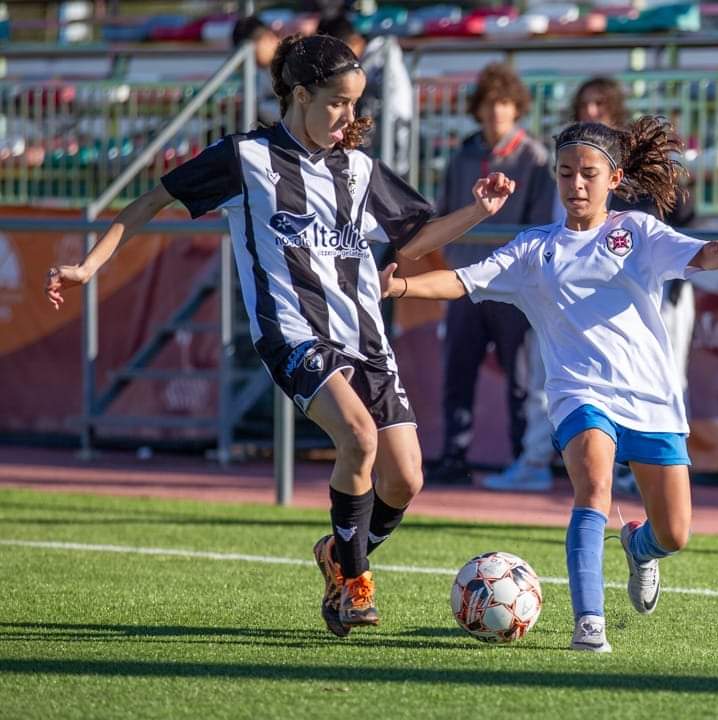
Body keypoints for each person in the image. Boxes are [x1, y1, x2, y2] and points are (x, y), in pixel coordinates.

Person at [46, 34, 516, 634]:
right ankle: (354, 584)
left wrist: (478, 211)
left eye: (355, 105)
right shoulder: (245, 159)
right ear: (300, 94)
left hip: (365, 338)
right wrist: (88, 265)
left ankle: (338, 553)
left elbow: (414, 240)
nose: (349, 119)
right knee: (359, 438)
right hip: (295, 337)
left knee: (407, 479)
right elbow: (148, 202)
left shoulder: (360, 168)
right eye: (337, 104)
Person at [377, 117, 718, 651]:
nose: (576, 185)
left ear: (614, 178)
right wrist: (403, 287)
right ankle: (589, 623)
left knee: (675, 533)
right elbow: (463, 282)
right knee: (593, 487)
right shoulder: (535, 249)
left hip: (651, 398)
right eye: (566, 173)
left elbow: (701, 255)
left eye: (589, 174)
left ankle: (640, 549)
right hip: (579, 392)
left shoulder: (638, 233)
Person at [427, 63, 556, 489]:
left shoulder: (536, 159)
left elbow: (539, 225)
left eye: (503, 104)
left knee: (520, 379)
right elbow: (443, 212)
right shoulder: (463, 155)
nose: (495, 113)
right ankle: (453, 456)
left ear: (516, 108)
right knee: (457, 373)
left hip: (511, 286)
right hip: (465, 279)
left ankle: (523, 459)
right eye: (488, 104)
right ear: (477, 109)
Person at [569, 76, 697, 498]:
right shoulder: (575, 167)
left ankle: (653, 469)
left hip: (660, 293)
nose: (591, 112)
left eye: (599, 104)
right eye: (585, 104)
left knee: (665, 375)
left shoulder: (637, 175)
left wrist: (673, 268)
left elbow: (685, 216)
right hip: (604, 298)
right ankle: (609, 462)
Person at [315, 13, 413, 177]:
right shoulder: (371, 58)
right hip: (368, 140)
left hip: (390, 133)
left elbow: (398, 103)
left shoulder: (383, 55)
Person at [231, 15, 281, 127]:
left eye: (250, 50)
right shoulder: (263, 69)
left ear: (267, 38)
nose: (248, 58)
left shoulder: (292, 63)